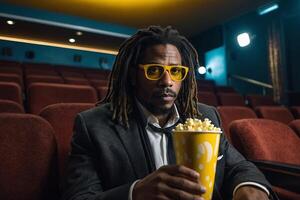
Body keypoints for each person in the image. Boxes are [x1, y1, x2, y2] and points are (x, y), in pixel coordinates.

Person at [62, 26, 277, 200]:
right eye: (154, 70)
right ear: (132, 75)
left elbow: (238, 166)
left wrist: (249, 186)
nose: (167, 81)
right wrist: (135, 193)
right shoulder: (92, 126)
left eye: (176, 71)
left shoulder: (205, 116)